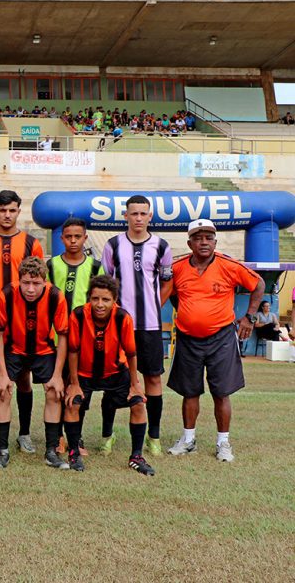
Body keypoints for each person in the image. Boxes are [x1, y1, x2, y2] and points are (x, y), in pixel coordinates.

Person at [166, 219, 264, 463]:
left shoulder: (229, 265)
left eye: (208, 238)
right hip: (188, 338)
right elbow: (173, 296)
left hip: (221, 338)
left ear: (215, 241)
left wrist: (249, 317)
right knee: (190, 392)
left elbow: (259, 284)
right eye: (198, 238)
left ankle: (223, 442)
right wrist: (191, 315)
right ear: (189, 243)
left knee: (221, 392)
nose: (204, 242)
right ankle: (188, 440)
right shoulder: (177, 268)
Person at [0, 190, 44, 454]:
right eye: (2, 210)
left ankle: (24, 433)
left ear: (18, 212)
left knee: (23, 379)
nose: (7, 215)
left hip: (22, 323)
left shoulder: (30, 243)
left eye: (12, 210)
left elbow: (37, 282)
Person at [102, 195, 172, 456]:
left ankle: (154, 436)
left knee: (152, 378)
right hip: (118, 326)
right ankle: (107, 435)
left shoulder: (162, 246)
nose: (139, 218)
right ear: (126, 216)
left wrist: (154, 304)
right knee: (113, 378)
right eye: (134, 214)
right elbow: (107, 285)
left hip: (151, 327)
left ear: (150, 216)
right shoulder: (112, 245)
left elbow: (167, 283)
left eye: (143, 214)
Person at [64, 275, 155, 475]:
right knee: (73, 402)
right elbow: (72, 351)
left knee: (139, 402)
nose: (100, 304)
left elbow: (131, 354)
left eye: (105, 300)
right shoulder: (78, 315)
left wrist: (135, 383)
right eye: (95, 298)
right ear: (89, 298)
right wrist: (74, 383)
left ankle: (136, 456)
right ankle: (73, 452)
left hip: (115, 372)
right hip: (84, 372)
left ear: (114, 300)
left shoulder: (122, 317)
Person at [0, 257, 69, 470]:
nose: (31, 289)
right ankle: (3, 451)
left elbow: (62, 336)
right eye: (26, 283)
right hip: (14, 348)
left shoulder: (55, 295)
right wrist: (1, 373)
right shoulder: (6, 294)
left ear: (44, 281)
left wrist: (58, 374)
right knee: (4, 390)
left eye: (36, 283)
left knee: (53, 392)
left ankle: (51, 451)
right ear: (19, 280)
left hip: (43, 350)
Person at [46, 216, 104, 455]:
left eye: (77, 236)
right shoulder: (51, 266)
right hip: (55, 338)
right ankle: (58, 436)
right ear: (61, 238)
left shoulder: (94, 266)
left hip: (84, 340)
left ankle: (76, 438)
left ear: (85, 238)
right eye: (68, 237)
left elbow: (100, 303)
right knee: (58, 389)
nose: (72, 241)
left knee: (81, 391)